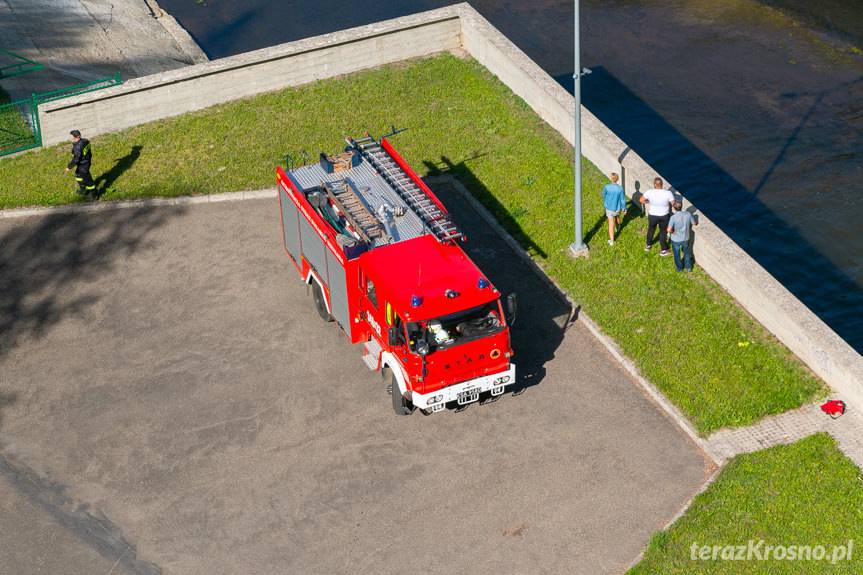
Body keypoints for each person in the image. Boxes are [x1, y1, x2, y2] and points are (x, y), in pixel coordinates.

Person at [639, 176, 674, 256]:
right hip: (664, 215)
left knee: (651, 229)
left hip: (652, 215)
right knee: (663, 232)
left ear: (654, 185)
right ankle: (663, 250)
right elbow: (673, 203)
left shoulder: (649, 192)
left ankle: (648, 245)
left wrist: (648, 201)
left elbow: (641, 200)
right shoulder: (668, 193)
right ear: (662, 184)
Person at [667, 201, 697, 271]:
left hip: (675, 239)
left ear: (673, 208)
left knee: (677, 254)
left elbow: (668, 230)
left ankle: (679, 268)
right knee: (686, 253)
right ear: (681, 206)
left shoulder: (673, 217)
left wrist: (673, 232)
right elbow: (694, 223)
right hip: (685, 238)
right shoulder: (688, 214)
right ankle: (688, 267)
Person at [65, 130, 95, 196]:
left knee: (87, 179)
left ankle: (93, 193)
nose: (72, 139)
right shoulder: (85, 141)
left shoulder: (78, 147)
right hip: (86, 161)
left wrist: (69, 167)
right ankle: (83, 189)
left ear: (78, 137)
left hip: (83, 164)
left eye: (73, 137)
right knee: (78, 175)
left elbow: (76, 159)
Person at [601, 172, 626, 245]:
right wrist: (624, 208)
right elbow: (622, 200)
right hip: (617, 209)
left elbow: (603, 195)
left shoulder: (607, 187)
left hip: (609, 208)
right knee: (617, 216)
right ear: (617, 179)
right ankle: (619, 227)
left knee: (611, 223)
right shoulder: (620, 188)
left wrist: (607, 200)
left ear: (611, 179)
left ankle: (611, 241)